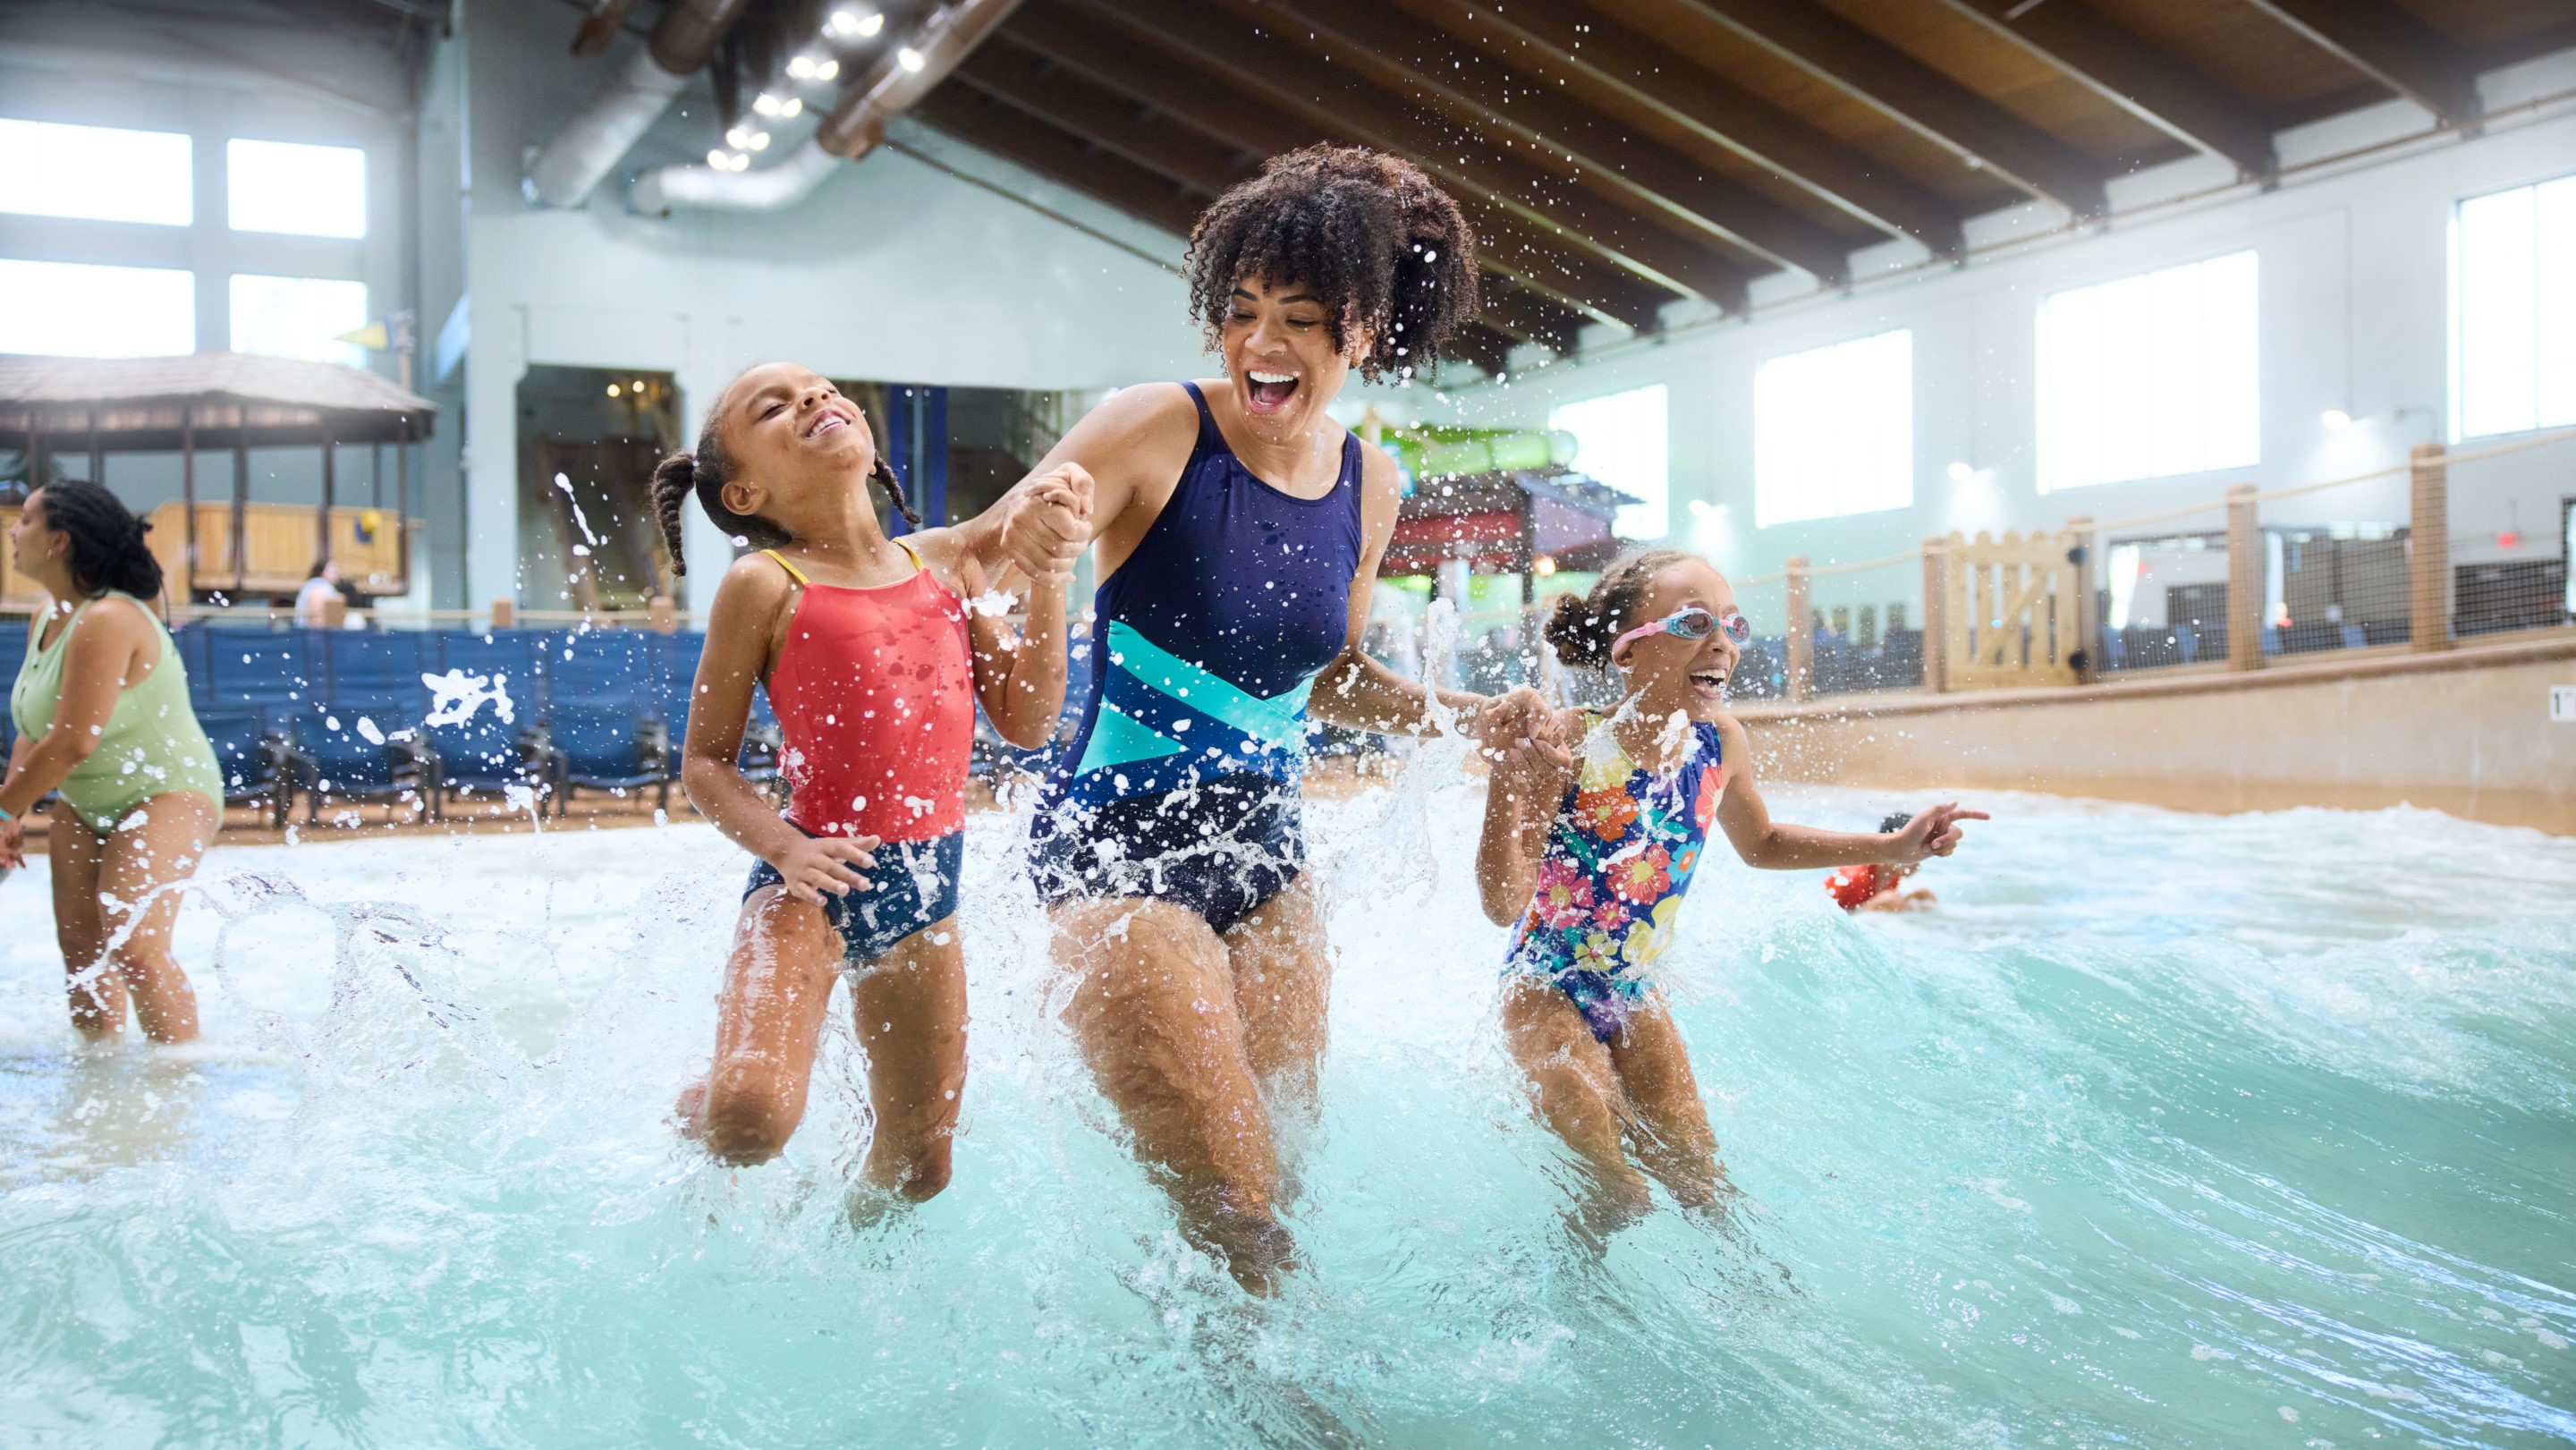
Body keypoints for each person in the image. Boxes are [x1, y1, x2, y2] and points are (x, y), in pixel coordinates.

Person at [995, 145, 1559, 1291]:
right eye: (1241, 312)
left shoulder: (1371, 477)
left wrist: (1469, 719)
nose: (1262, 344)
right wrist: (1030, 555)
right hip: (1117, 857)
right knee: (1240, 1210)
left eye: (1300, 319)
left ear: (1363, 330)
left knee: (1283, 1181)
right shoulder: (1155, 426)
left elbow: (1336, 676)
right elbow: (985, 558)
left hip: (1269, 861)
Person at [650, 362, 1086, 1202]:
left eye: (819, 387)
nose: (813, 399)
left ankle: (843, 1283)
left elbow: (1028, 721)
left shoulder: (947, 566)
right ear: (743, 495)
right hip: (806, 881)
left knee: (919, 1169)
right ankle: (696, 1106)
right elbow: (704, 764)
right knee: (748, 1124)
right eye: (773, 407)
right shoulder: (766, 584)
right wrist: (784, 849)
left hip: (926, 892)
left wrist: (1052, 577)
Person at [1477, 549, 1986, 1223]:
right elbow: (1503, 901)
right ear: (1628, 652)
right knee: (1614, 1177)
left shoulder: (1720, 744)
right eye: (1692, 623)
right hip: (1542, 985)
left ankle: (1755, 1308)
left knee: (1702, 1180)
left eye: (1732, 626)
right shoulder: (1574, 742)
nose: (1721, 642)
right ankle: (1578, 1300)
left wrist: (1892, 846)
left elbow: (1765, 843)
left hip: (1630, 991)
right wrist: (1504, 783)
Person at [1, 479, 225, 1043]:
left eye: (25, 519)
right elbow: (36, 729)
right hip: (84, 800)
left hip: (168, 792)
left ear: (59, 541)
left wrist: (4, 806)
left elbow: (73, 743)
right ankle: (100, 1092)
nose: (11, 529)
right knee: (83, 960)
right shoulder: (47, 617)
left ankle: (178, 1085)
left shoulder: (109, 619)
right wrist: (9, 811)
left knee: (136, 952)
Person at [1824, 813, 1940, 912]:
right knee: (1889, 900)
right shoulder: (1855, 877)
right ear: (1894, 848)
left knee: (1924, 895)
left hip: (1861, 911)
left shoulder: (1892, 873)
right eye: (1915, 851)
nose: (1919, 859)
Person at [294, 559, 343, 627]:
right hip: (313, 633)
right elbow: (316, 618)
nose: (336, 574)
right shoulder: (318, 589)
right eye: (333, 572)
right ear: (322, 572)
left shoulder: (323, 587)